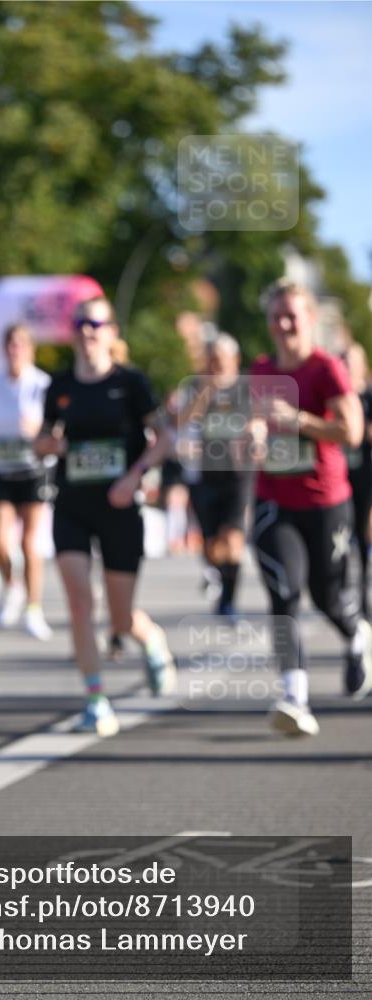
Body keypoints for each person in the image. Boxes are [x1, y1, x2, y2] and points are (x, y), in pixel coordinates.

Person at [36, 296, 175, 737]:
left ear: (112, 332)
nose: (87, 330)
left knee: (120, 618)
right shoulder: (60, 385)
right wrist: (49, 445)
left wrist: (134, 477)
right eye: (80, 323)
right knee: (80, 602)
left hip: (119, 506)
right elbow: (42, 439)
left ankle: (150, 639)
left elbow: (164, 439)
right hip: (72, 503)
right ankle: (95, 699)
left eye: (96, 323)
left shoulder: (131, 382)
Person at [251, 279, 372, 737]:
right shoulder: (260, 370)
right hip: (274, 500)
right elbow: (253, 425)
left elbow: (353, 432)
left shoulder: (327, 370)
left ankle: (356, 633)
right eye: (276, 316)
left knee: (329, 598)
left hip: (326, 501)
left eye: (292, 316)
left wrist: (298, 421)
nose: (283, 324)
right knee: (284, 589)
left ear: (309, 320)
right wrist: (256, 435)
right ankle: (294, 695)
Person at [0, 324, 52, 639]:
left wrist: (38, 430)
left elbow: (55, 429)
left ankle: (34, 609)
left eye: (21, 344)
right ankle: (13, 588)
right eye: (11, 344)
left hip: (34, 468)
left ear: (31, 349)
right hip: (1, 468)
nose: (15, 350)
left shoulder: (42, 384)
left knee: (29, 543)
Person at [180, 334, 252, 621]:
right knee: (212, 546)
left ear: (234, 361)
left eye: (220, 361)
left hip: (237, 474)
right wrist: (205, 391)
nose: (216, 367)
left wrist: (253, 435)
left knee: (233, 539)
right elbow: (181, 421)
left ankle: (228, 602)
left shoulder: (246, 389)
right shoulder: (196, 387)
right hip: (204, 474)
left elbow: (259, 421)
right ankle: (217, 575)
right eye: (211, 361)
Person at [343, 342, 372, 617]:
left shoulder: (369, 395)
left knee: (364, 537)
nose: (348, 367)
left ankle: (364, 596)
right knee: (344, 539)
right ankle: (347, 594)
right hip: (341, 478)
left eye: (352, 362)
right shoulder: (337, 395)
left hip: (367, 475)